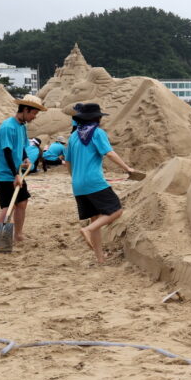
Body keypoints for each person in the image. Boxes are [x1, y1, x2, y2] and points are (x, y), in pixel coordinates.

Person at [65, 103, 135, 264]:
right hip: (94, 181)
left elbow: (67, 162)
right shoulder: (97, 133)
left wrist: (74, 177)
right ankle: (87, 230)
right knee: (116, 210)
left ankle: (100, 258)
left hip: (78, 184)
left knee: (94, 219)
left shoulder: (73, 136)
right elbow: (109, 153)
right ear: (96, 118)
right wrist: (127, 168)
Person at [0, 95, 47, 242]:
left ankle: (18, 235)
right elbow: (7, 152)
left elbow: (21, 146)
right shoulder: (8, 127)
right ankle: (0, 239)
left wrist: (25, 158)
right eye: (33, 113)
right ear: (25, 110)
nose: (34, 117)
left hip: (16, 172)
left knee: (22, 202)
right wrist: (15, 175)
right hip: (4, 173)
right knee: (8, 206)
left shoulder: (22, 126)